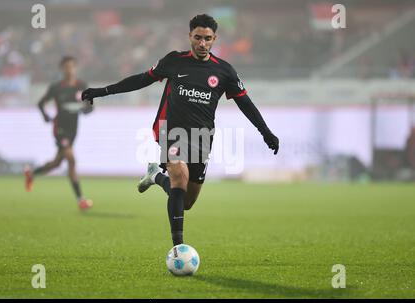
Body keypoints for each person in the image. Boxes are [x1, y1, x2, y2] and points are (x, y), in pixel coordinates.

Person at [81, 14, 279, 244]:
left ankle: (155, 175)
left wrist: (265, 131)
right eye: (197, 38)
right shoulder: (174, 61)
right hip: (171, 131)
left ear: (215, 38)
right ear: (189, 36)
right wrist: (102, 91)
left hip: (202, 137)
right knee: (178, 177)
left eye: (207, 38)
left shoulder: (225, 71)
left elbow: (245, 103)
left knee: (187, 202)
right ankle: (178, 248)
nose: (202, 43)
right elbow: (141, 80)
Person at [25, 56, 94, 210]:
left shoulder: (81, 85)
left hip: (73, 129)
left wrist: (84, 109)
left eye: (71, 66)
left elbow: (90, 107)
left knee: (57, 163)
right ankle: (80, 200)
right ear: (62, 69)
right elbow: (41, 103)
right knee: (71, 159)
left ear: (75, 68)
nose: (69, 70)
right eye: (66, 67)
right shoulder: (56, 88)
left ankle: (31, 174)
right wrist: (45, 117)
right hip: (60, 128)